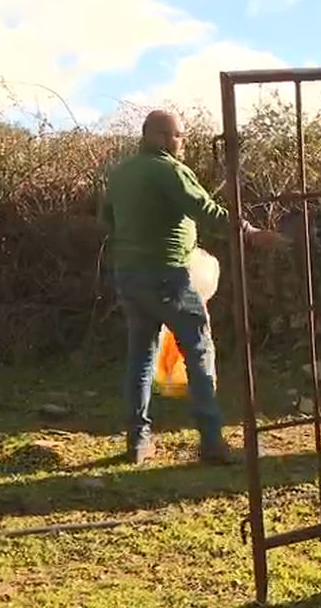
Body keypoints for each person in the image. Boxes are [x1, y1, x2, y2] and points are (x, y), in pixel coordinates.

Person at [98, 108, 286, 466]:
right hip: (168, 275)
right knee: (199, 354)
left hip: (129, 275)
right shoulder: (170, 170)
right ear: (158, 136)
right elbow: (204, 208)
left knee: (141, 357)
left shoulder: (121, 173)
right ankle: (212, 441)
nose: (181, 142)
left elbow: (107, 218)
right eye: (177, 135)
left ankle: (138, 441)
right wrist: (248, 232)